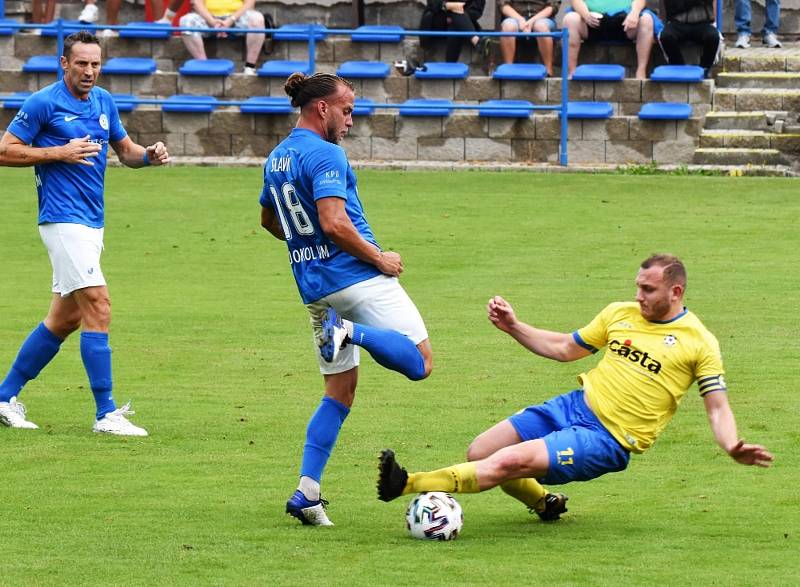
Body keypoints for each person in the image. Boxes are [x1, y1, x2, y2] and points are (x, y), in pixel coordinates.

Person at [377, 255, 773, 522]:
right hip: (574, 406)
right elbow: (566, 348)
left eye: (648, 290)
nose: (639, 296)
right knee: (481, 451)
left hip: (607, 440)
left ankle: (407, 483)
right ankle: (544, 504)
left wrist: (731, 444)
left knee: (507, 463)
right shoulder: (620, 313)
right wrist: (515, 326)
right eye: (637, 286)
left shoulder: (699, 341)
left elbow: (717, 407)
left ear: (676, 292)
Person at [259, 72, 434, 526]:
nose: (351, 121)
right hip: (356, 277)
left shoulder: (277, 157)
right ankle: (350, 331)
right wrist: (379, 257)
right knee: (420, 362)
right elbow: (335, 222)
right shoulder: (326, 154)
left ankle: (307, 492)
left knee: (340, 391)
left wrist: (307, 246)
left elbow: (269, 220)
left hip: (315, 286)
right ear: (322, 109)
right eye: (347, 110)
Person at [0, 31, 170, 436]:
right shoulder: (43, 103)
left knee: (64, 318)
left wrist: (148, 155)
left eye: (95, 64)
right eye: (81, 63)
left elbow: (125, 151)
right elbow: (4, 150)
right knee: (99, 304)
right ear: (64, 64)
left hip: (92, 223)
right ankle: (105, 413)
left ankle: (4, 396)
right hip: (61, 220)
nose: (90, 71)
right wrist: (57, 152)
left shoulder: (103, 102)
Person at [562, 0, 659, 79]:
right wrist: (585, 15)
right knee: (570, 18)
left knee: (646, 19)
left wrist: (635, 12)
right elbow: (576, 1)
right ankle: (572, 72)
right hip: (592, 21)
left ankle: (641, 72)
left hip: (626, 23)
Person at [178, 0, 266, 75]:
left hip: (236, 18)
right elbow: (196, 3)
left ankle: (249, 67)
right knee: (186, 21)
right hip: (208, 18)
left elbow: (250, 3)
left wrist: (230, 20)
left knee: (257, 19)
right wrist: (212, 21)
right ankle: (203, 65)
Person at [658, 0, 722, 78]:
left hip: (703, 23)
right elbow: (671, 6)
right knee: (666, 36)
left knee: (713, 36)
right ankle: (679, 68)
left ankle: (704, 69)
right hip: (677, 23)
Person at [498, 0, 560, 76]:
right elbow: (503, 4)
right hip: (514, 17)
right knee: (508, 26)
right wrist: (520, 19)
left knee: (540, 27)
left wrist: (532, 20)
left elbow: (552, 6)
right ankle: (508, 68)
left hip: (543, 18)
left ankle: (548, 70)